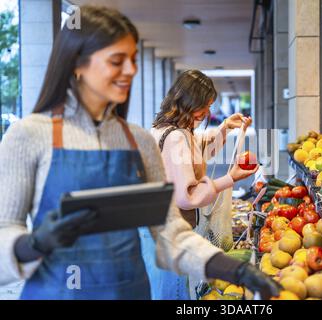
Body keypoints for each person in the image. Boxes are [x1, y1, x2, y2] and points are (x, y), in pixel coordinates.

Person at [0, 5, 279, 300]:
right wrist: (32, 245)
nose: (131, 70)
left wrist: (233, 269)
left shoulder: (140, 140)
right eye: (117, 60)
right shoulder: (28, 136)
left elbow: (171, 231)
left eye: (132, 60)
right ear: (76, 65)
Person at [149, 70, 257, 299]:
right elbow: (186, 196)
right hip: (173, 235)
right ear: (188, 102)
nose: (208, 112)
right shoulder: (178, 136)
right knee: (175, 295)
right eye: (205, 106)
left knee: (163, 291)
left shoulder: (162, 130)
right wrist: (231, 179)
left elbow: (198, 154)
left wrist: (226, 127)